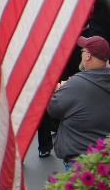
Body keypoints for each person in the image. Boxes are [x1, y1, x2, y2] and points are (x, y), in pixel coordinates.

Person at [47, 36, 110, 168]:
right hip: (104, 157)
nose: (80, 55)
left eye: (82, 51)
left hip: (79, 159)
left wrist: (58, 90)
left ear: (88, 56)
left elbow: (53, 109)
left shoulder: (75, 84)